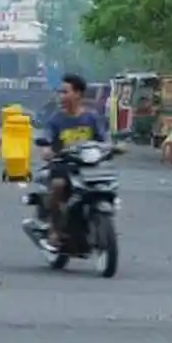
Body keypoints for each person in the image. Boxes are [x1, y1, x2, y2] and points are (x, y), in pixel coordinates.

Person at [40, 72, 108, 250]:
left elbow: (103, 140)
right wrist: (47, 149)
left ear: (78, 94)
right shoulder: (56, 119)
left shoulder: (92, 117)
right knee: (58, 185)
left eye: (65, 92)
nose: (61, 96)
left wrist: (113, 148)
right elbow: (47, 138)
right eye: (61, 92)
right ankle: (54, 229)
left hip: (88, 166)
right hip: (63, 164)